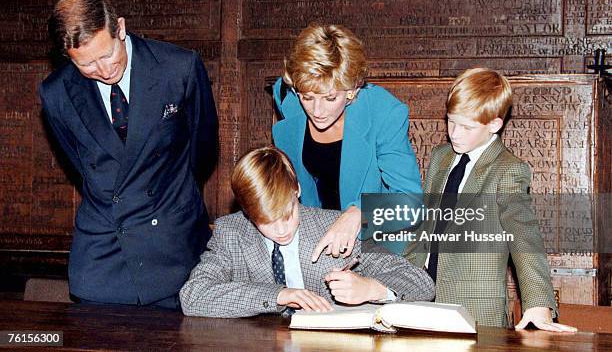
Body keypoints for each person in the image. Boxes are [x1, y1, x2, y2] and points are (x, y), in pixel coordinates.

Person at [38, 0, 218, 309]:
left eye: (107, 54)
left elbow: (202, 149)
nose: (105, 71)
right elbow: (81, 163)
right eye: (87, 65)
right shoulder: (56, 93)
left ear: (119, 27)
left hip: (171, 247)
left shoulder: (178, 68)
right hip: (103, 255)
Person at [404, 68, 576, 332]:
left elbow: (524, 235)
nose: (455, 134)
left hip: (475, 312)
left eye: (467, 127)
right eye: (451, 121)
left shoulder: (508, 170)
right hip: (419, 299)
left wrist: (538, 303)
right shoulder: (440, 156)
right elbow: (425, 227)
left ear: (494, 125)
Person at [180, 147, 434, 318]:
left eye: (287, 214)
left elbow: (422, 283)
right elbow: (193, 296)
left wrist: (373, 289)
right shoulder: (231, 232)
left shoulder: (333, 228)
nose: (280, 230)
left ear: (297, 190)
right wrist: (279, 295)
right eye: (265, 222)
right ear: (247, 212)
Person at [272, 24, 422, 261]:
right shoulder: (288, 101)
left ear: (352, 90)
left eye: (330, 98)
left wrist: (359, 214)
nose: (317, 110)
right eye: (307, 97)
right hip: (314, 242)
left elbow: (410, 200)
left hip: (375, 245)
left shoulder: (383, 113)